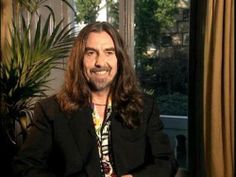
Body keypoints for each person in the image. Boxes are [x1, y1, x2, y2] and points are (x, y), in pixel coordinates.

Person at [13, 22, 178, 177]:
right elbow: (26, 167)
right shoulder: (50, 110)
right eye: (91, 53)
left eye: (109, 52)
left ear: (119, 59)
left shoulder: (145, 106)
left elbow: (166, 162)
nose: (100, 62)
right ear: (79, 60)